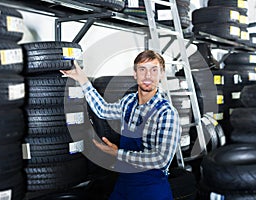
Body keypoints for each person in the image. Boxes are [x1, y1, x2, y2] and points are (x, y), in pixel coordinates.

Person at [60, 50, 181, 200]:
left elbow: (160, 159)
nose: (148, 76)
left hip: (151, 189)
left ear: (161, 75)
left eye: (154, 70)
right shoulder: (129, 101)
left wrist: (117, 153)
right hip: (124, 183)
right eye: (142, 69)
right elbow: (103, 110)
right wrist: (83, 80)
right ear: (135, 74)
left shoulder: (167, 112)